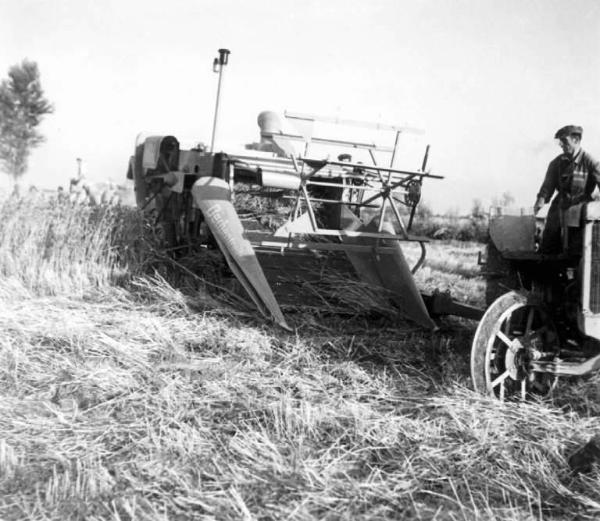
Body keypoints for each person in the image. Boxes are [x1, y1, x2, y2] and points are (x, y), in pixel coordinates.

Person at [534, 125, 600, 253]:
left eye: (565, 141)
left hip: (581, 209)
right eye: (560, 142)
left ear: (576, 141)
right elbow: (546, 189)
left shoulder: (590, 162)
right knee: (549, 244)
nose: (561, 145)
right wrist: (536, 207)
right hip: (559, 207)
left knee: (577, 249)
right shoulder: (556, 163)